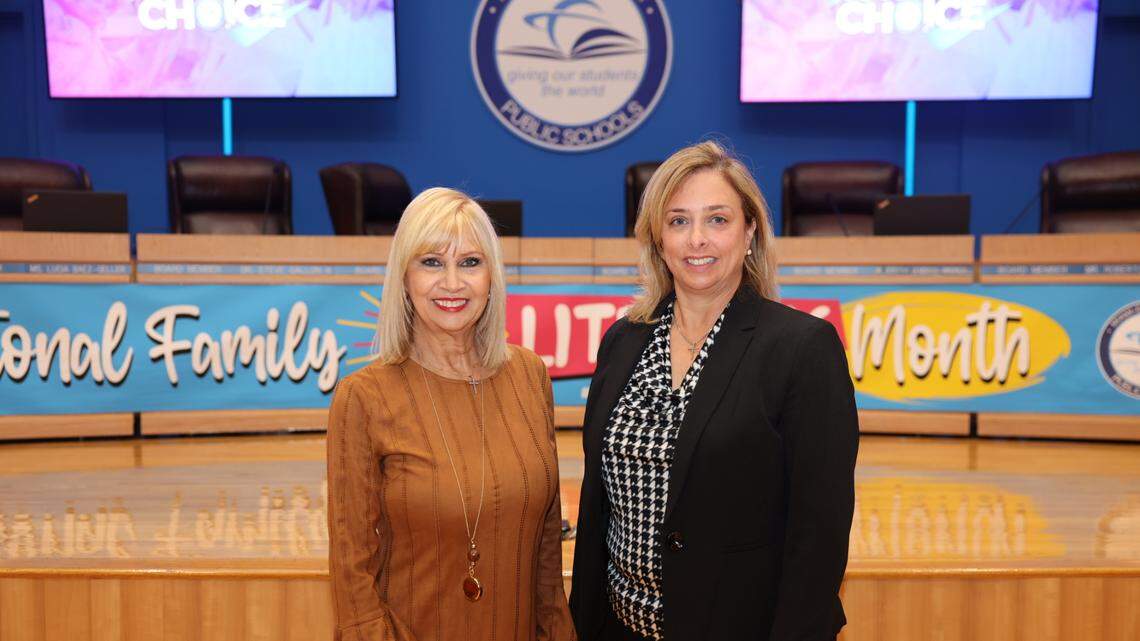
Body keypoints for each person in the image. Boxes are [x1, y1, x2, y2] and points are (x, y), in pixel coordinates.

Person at [569, 141, 859, 641]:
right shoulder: (623, 341)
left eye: (717, 220)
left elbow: (819, 533)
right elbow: (599, 506)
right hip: (618, 627)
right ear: (657, 239)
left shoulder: (801, 347)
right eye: (679, 221)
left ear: (749, 232)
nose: (696, 239)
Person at [327, 188, 575, 641]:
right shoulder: (363, 397)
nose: (453, 283)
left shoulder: (528, 375)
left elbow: (545, 550)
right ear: (404, 277)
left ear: (492, 277)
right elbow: (352, 569)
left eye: (470, 263)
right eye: (432, 263)